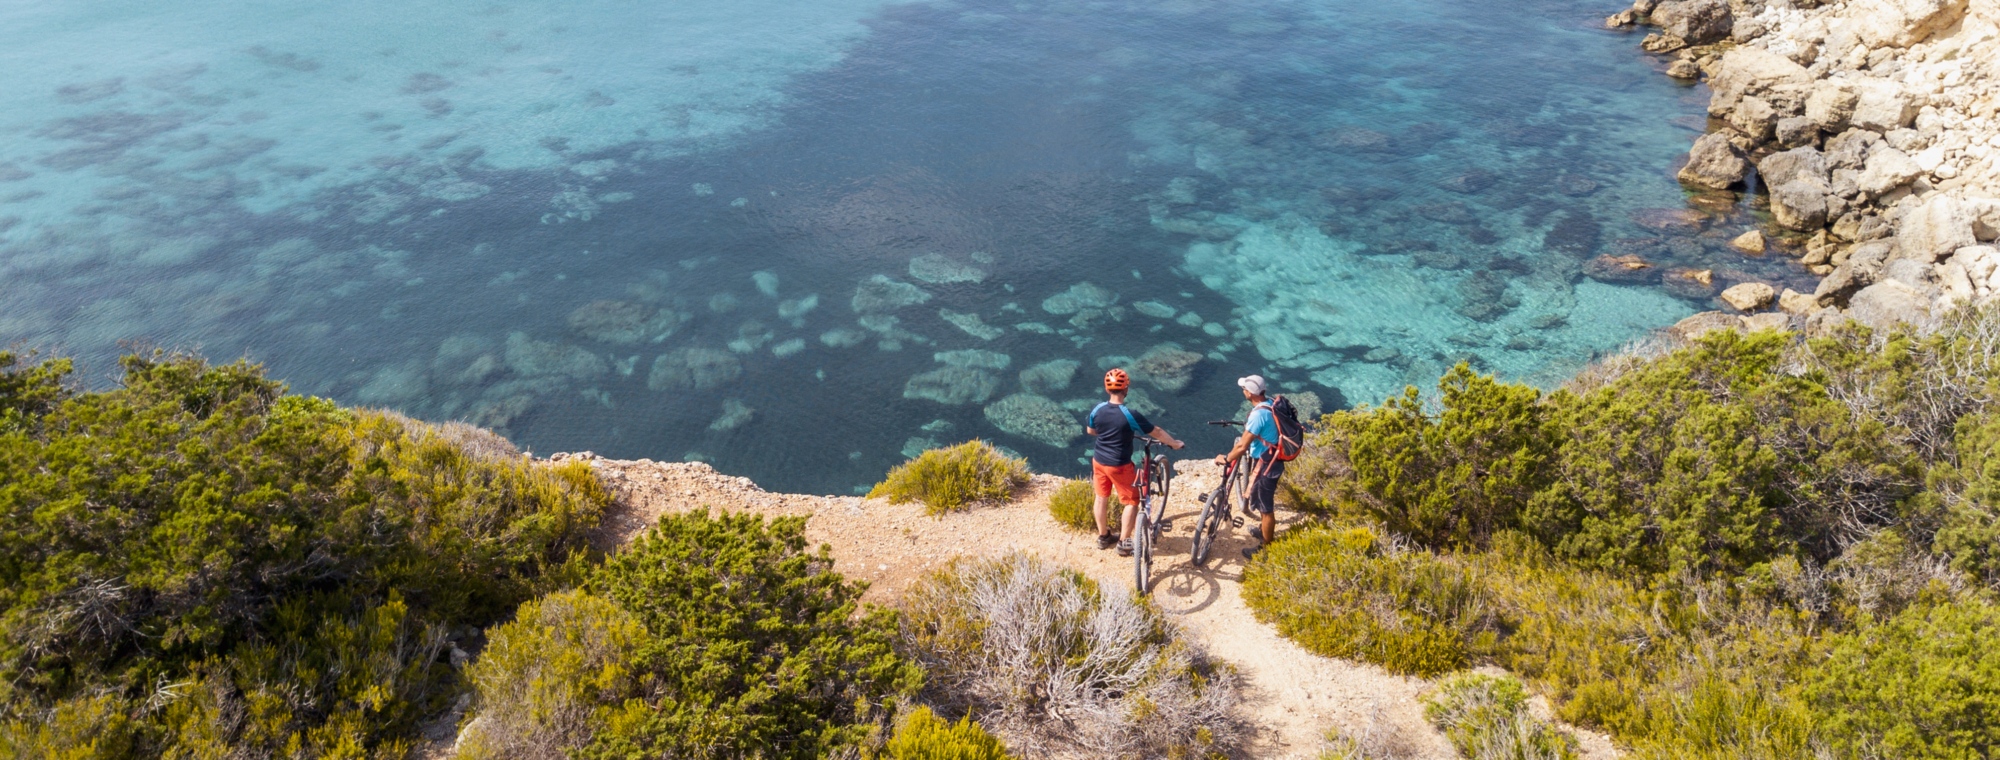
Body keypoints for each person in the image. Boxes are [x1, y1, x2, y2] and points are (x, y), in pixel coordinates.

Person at [1087, 368, 1183, 556]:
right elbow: (1156, 431)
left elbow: (1091, 431)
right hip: (1119, 465)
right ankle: (1123, 543)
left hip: (1098, 460)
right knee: (1132, 501)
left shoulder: (1097, 409)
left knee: (1101, 497)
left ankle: (1104, 536)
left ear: (1107, 390)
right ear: (1126, 389)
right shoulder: (1129, 414)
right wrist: (1174, 443)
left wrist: (1108, 433)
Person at [1217, 374, 1285, 559]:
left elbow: (1242, 446)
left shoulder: (1258, 415)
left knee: (1266, 507)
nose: (1243, 391)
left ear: (1251, 393)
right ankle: (1263, 531)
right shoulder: (1270, 403)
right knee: (1263, 501)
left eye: (1245, 389)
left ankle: (1266, 547)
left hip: (1267, 464)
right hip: (1271, 458)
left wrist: (1227, 458)